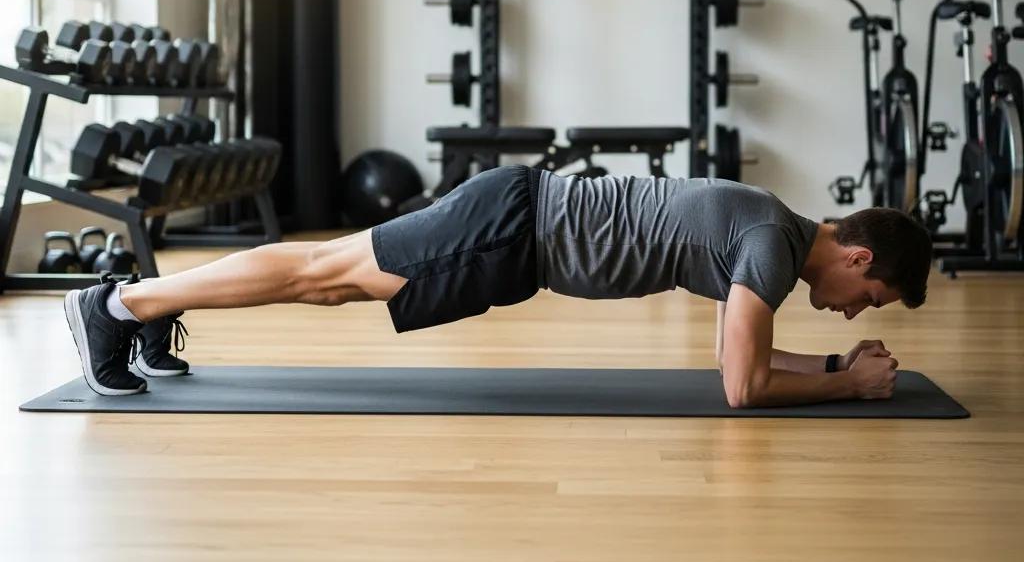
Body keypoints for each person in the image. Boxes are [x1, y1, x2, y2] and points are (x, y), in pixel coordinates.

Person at [63, 164, 931, 407]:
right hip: (513, 231)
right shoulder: (771, 246)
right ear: (860, 261)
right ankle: (117, 305)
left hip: (516, 222)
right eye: (873, 298)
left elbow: (733, 356)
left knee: (324, 277)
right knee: (322, 274)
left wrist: (827, 371)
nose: (858, 310)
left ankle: (145, 301)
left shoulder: (771, 229)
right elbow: (739, 387)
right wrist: (848, 383)